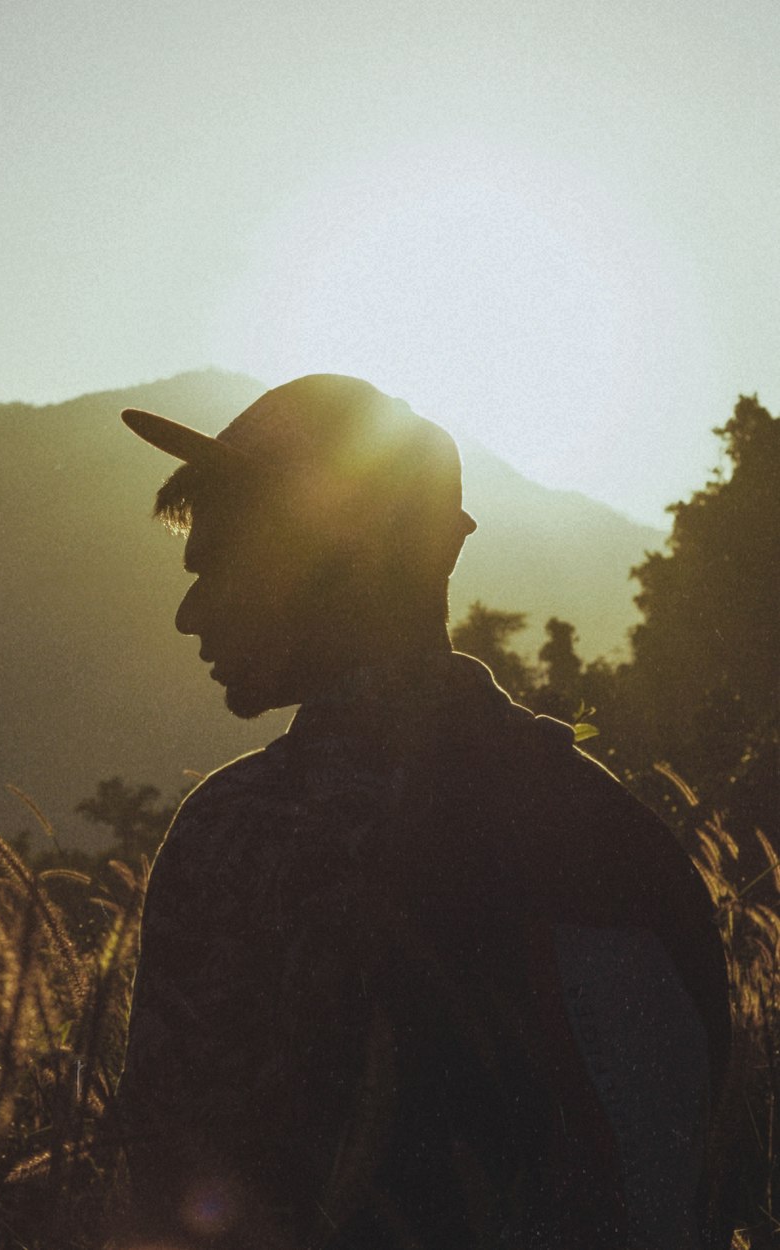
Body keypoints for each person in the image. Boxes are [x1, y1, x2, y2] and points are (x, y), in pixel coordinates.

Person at [114, 374, 732, 1250]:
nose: (189, 614)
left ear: (329, 556)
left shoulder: (236, 838)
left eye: (218, 569)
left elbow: (167, 1195)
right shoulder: (614, 836)